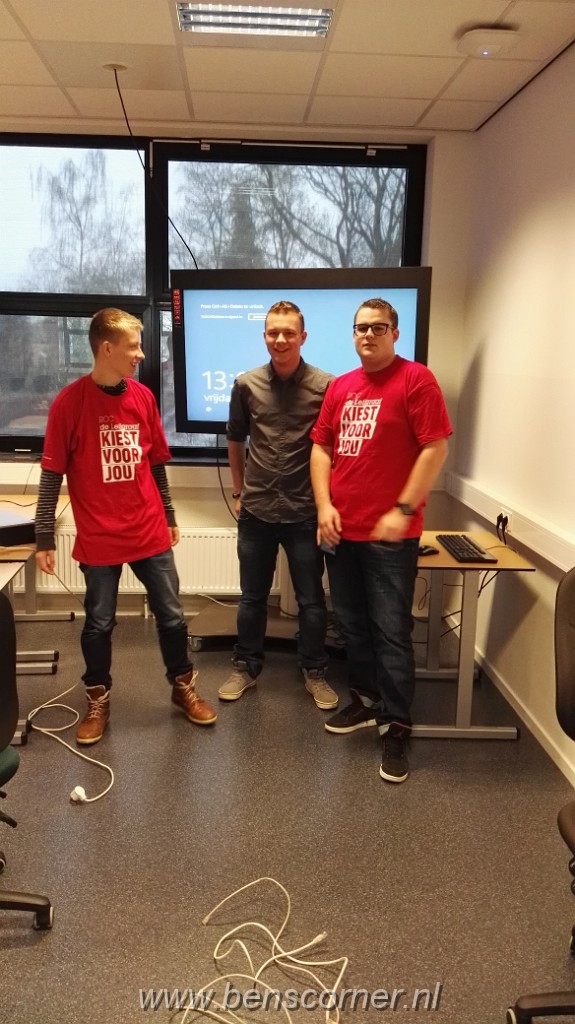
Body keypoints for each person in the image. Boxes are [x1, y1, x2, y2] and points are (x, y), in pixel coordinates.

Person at [34, 308, 216, 745]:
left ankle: (182, 688)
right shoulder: (69, 403)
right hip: (99, 536)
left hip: (148, 529)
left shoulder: (143, 397)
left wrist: (168, 515)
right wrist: (43, 536)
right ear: (106, 348)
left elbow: (155, 463)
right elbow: (52, 473)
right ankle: (98, 699)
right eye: (133, 346)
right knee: (99, 623)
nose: (140, 354)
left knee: (172, 616)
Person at [310, 298, 451, 783]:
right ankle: (367, 701)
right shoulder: (341, 387)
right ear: (352, 334)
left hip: (391, 536)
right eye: (360, 328)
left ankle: (397, 724)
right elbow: (321, 448)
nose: (368, 334)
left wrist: (404, 508)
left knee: (391, 631)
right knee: (352, 625)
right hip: (341, 530)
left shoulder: (416, 380)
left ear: (395, 333)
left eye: (378, 327)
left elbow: (435, 447)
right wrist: (324, 506)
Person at [221, 299, 337, 711]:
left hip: (305, 511)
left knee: (311, 600)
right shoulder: (246, 384)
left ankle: (315, 670)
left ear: (303, 337)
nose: (281, 339)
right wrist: (238, 492)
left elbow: (332, 447)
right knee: (252, 597)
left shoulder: (326, 386)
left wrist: (328, 503)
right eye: (273, 332)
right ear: (264, 336)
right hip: (257, 510)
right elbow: (235, 438)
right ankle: (246, 666)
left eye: (289, 332)